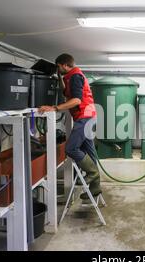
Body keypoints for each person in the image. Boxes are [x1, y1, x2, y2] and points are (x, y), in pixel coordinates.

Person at [39, 53, 101, 200]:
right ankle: (96, 188)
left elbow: (76, 100)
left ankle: (92, 174)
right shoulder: (71, 76)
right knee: (90, 152)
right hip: (89, 116)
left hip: (84, 117)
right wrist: (60, 77)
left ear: (65, 65)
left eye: (59, 67)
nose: (58, 69)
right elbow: (65, 90)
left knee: (71, 148)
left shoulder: (75, 77)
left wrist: (55, 108)